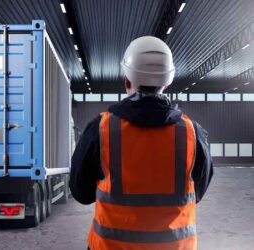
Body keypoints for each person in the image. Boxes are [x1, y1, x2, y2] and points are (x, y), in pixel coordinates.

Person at [70, 36, 213, 249]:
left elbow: (81, 193)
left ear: (127, 81)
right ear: (167, 81)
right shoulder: (193, 133)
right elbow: (197, 193)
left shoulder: (101, 128)